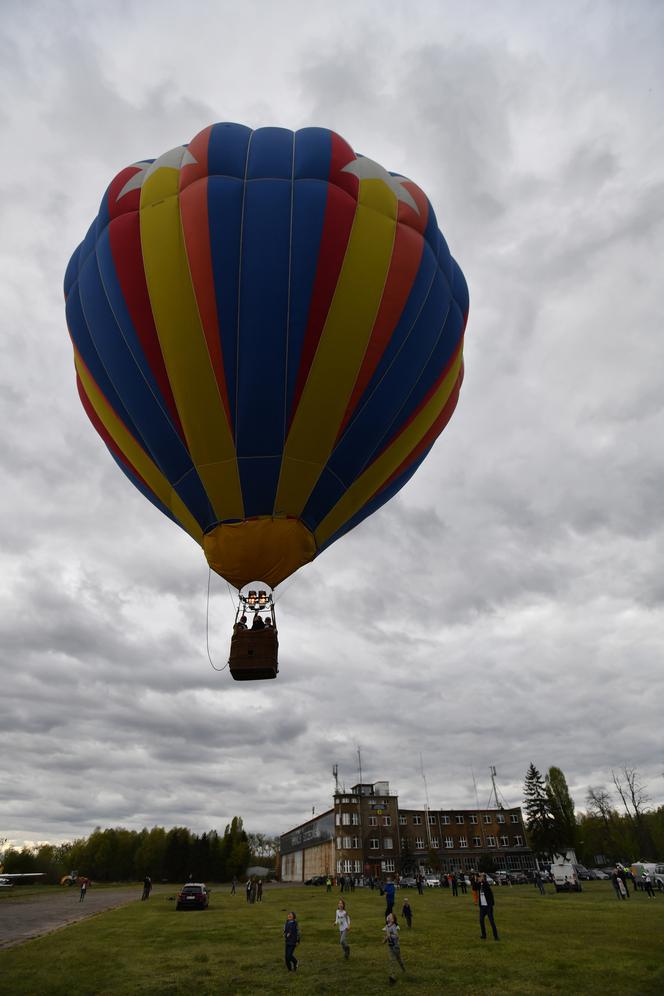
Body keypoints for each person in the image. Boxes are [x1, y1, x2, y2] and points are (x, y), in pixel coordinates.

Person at [383, 913, 405, 984]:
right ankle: (392, 977)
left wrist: (390, 936)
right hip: (390, 947)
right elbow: (386, 935)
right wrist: (385, 940)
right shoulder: (386, 926)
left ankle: (403, 967)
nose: (388, 917)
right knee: (392, 961)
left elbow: (396, 936)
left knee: (399, 959)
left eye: (390, 916)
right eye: (388, 916)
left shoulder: (394, 926)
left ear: (393, 920)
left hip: (396, 947)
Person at [478, 873, 499, 940]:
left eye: (480, 877)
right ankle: (484, 935)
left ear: (483, 878)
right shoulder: (480, 884)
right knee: (481, 920)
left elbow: (490, 893)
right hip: (482, 907)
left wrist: (491, 904)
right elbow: (474, 887)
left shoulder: (486, 884)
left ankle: (496, 936)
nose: (479, 878)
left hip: (488, 906)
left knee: (491, 921)